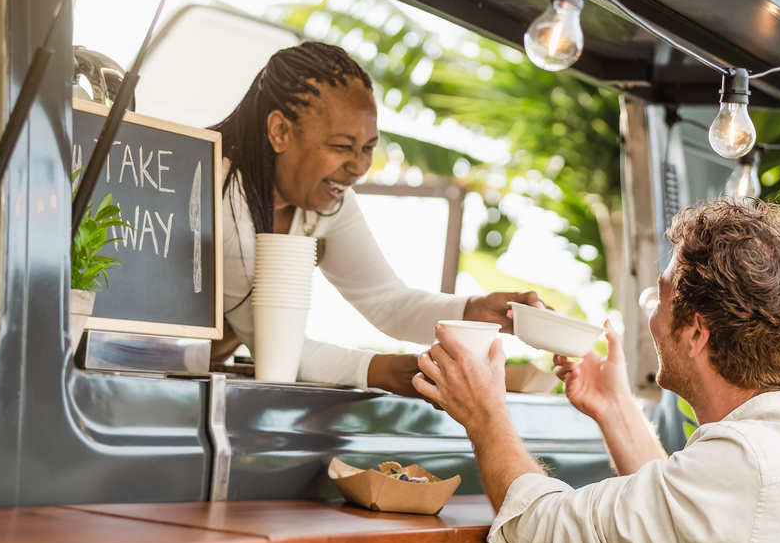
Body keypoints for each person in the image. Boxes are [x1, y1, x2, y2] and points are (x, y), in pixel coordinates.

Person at [414, 198, 780, 543]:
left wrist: (485, 412)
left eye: (660, 299)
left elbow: (540, 531)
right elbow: (688, 510)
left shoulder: (745, 464)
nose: (653, 318)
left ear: (697, 332)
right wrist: (614, 406)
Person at [209, 42, 541, 395]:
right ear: (280, 131)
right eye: (341, 146)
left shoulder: (328, 199)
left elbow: (388, 302)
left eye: (368, 148)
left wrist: (474, 311)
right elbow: (278, 350)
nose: (358, 167)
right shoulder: (217, 192)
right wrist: (392, 371)